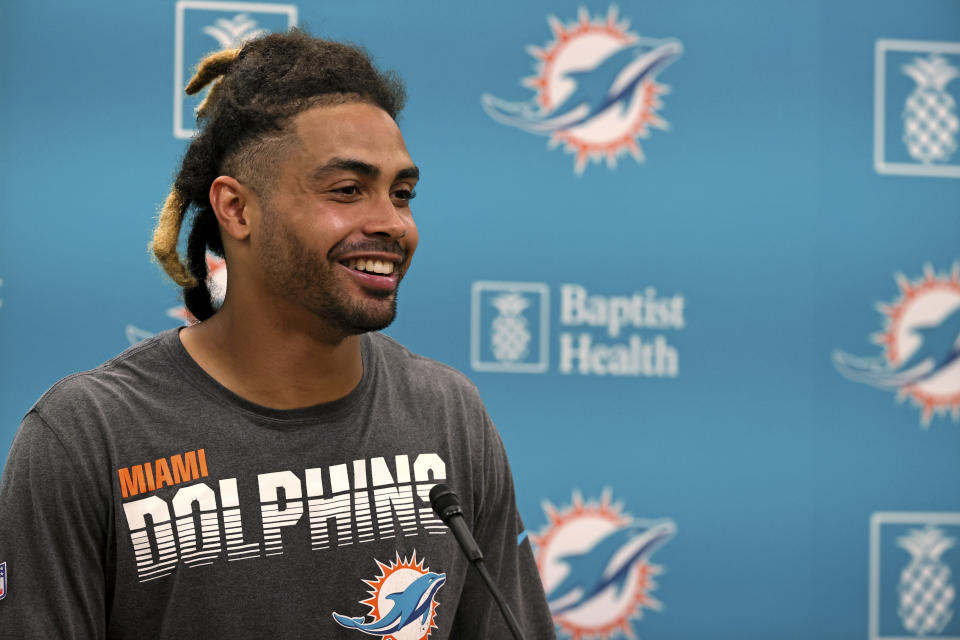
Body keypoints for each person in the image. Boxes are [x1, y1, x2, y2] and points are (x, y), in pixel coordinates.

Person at [0, 30, 555, 639]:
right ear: (236, 209)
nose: (392, 223)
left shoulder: (450, 416)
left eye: (402, 194)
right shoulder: (87, 438)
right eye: (348, 190)